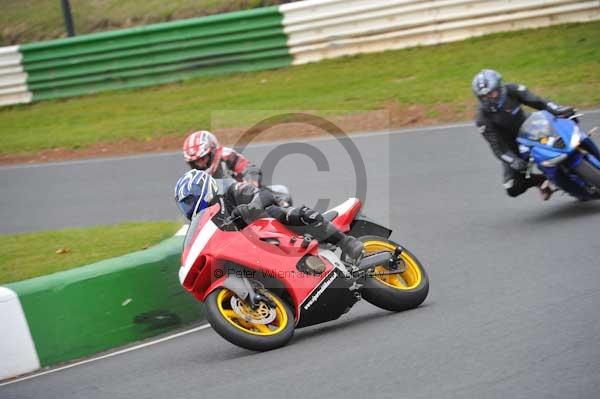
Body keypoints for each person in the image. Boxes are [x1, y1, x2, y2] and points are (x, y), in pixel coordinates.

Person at [174, 169, 365, 263]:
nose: (188, 208)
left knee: (295, 214)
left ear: (204, 189)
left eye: (189, 201)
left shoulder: (231, 191)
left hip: (268, 224)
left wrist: (250, 207)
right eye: (184, 206)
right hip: (250, 247)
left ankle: (346, 242)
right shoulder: (206, 224)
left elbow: (264, 194)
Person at [472, 69, 576, 200]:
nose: (489, 99)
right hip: (513, 147)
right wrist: (514, 160)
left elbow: (538, 102)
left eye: (492, 93)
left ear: (500, 87)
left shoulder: (513, 89)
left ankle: (581, 148)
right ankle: (541, 180)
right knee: (511, 187)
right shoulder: (482, 118)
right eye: (484, 97)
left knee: (562, 135)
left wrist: (558, 109)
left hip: (533, 129)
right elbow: (497, 147)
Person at [183, 130, 262, 186]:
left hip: (243, 198)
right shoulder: (194, 177)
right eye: (195, 161)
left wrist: (251, 183)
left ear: (212, 151)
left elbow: (249, 168)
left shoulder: (226, 155)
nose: (200, 164)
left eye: (202, 158)